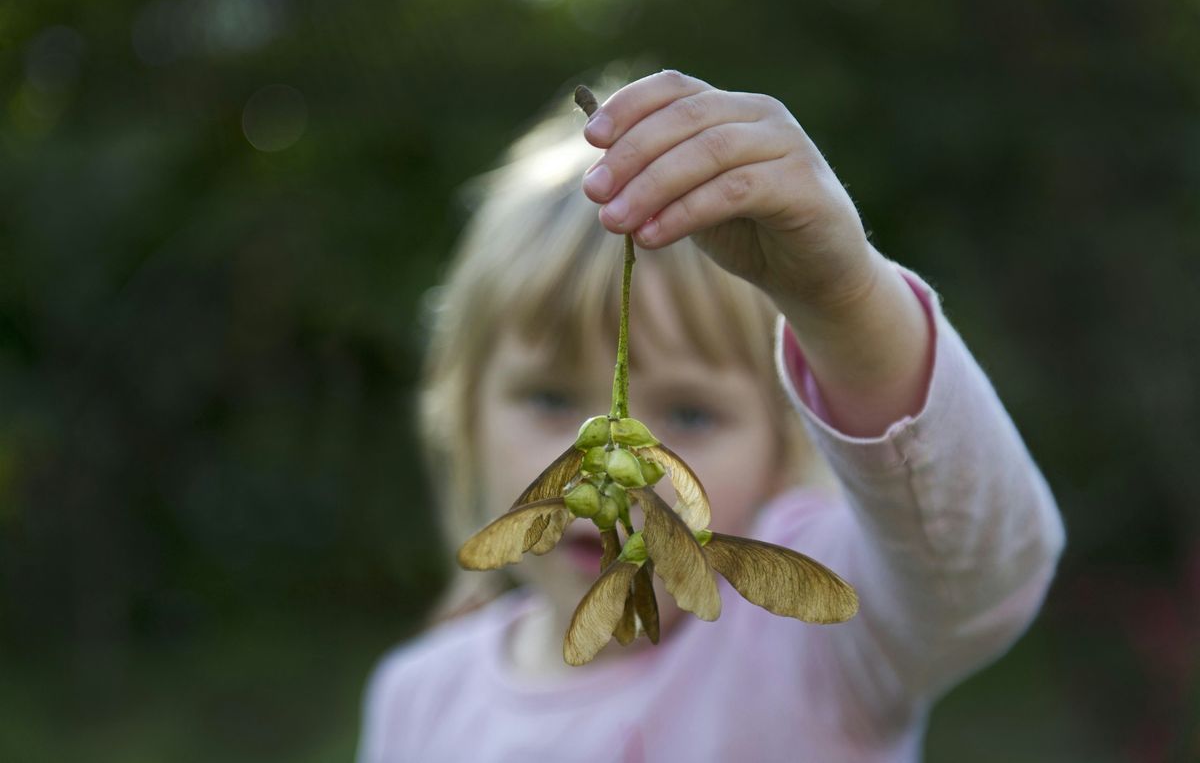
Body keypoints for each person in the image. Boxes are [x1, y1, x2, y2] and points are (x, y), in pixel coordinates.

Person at [356, 69, 1066, 762]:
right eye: (547, 399)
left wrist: (843, 300)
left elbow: (973, 570)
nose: (620, 480)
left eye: (692, 413)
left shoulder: (810, 643)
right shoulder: (417, 700)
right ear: (463, 414)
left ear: (782, 443)